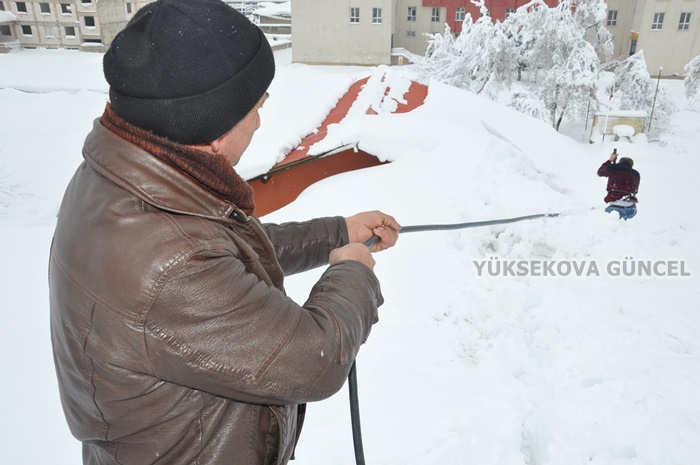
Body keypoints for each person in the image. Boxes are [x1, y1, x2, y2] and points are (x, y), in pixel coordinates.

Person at [48, 1, 400, 464]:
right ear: (213, 127)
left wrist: (336, 233)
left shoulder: (119, 177)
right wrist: (352, 271)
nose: (259, 121)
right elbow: (315, 359)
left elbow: (221, 255)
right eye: (256, 107)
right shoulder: (172, 265)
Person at [597, 150, 640, 220]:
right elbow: (635, 191)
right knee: (619, 222)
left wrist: (610, 160)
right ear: (631, 165)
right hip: (631, 208)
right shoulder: (636, 174)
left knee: (608, 220)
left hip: (614, 205)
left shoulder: (613, 167)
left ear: (620, 162)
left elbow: (600, 172)